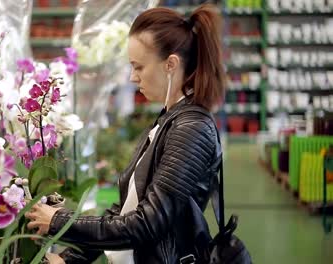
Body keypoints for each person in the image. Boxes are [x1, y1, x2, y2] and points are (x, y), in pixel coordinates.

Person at [25, 3, 225, 264]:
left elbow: (147, 224)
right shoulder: (167, 120)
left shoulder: (191, 129)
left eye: (139, 66)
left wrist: (59, 222)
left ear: (171, 65)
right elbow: (125, 209)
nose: (133, 77)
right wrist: (71, 258)